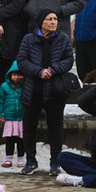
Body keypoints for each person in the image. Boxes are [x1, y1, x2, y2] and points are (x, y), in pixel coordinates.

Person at [16, 11, 74, 176]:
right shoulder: (28, 39)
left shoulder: (62, 38)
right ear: (41, 21)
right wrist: (39, 71)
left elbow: (69, 60)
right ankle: (30, 161)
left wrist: (53, 69)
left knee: (55, 127)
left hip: (55, 91)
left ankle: (55, 161)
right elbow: (22, 61)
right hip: (32, 90)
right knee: (29, 127)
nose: (53, 22)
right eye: (49, 19)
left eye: (55, 19)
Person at [0, 62, 25, 168]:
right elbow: (0, 100)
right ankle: (8, 159)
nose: (16, 77)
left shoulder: (24, 86)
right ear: (9, 75)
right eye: (14, 74)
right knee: (10, 140)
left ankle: (21, 159)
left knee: (21, 140)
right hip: (9, 118)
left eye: (19, 74)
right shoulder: (4, 87)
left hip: (21, 118)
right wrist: (0, 114)